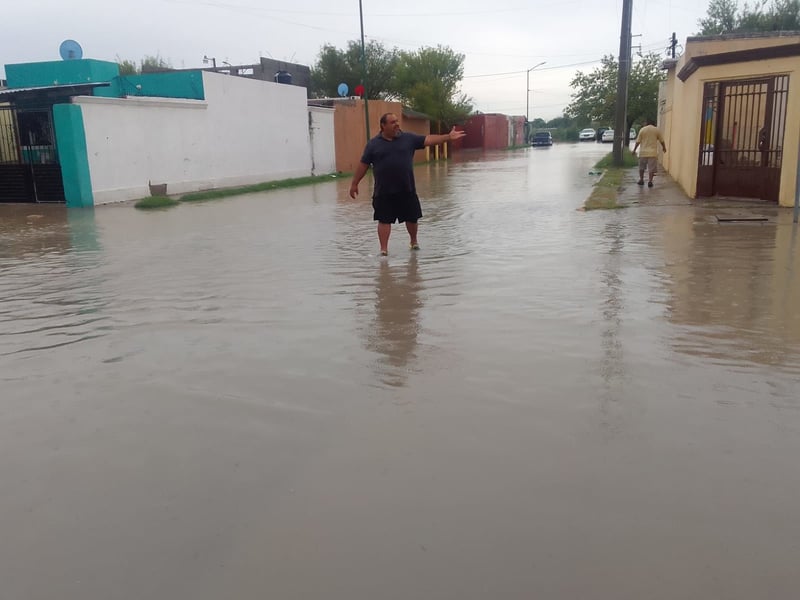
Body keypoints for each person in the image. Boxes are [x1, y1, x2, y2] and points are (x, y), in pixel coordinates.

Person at [349, 112, 466, 256]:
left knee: (412, 218)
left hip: (406, 188)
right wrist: (354, 184)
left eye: (397, 121)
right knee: (384, 220)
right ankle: (384, 250)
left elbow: (428, 140)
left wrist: (448, 137)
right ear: (383, 126)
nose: (397, 124)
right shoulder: (373, 144)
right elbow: (363, 165)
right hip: (384, 191)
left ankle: (414, 242)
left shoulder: (408, 139)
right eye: (393, 122)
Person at [632, 118, 667, 188]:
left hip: (643, 152)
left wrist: (634, 150)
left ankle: (641, 180)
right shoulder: (657, 130)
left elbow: (638, 141)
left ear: (647, 123)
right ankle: (650, 181)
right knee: (651, 168)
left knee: (641, 167)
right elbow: (662, 141)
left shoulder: (642, 130)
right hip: (652, 153)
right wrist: (664, 148)